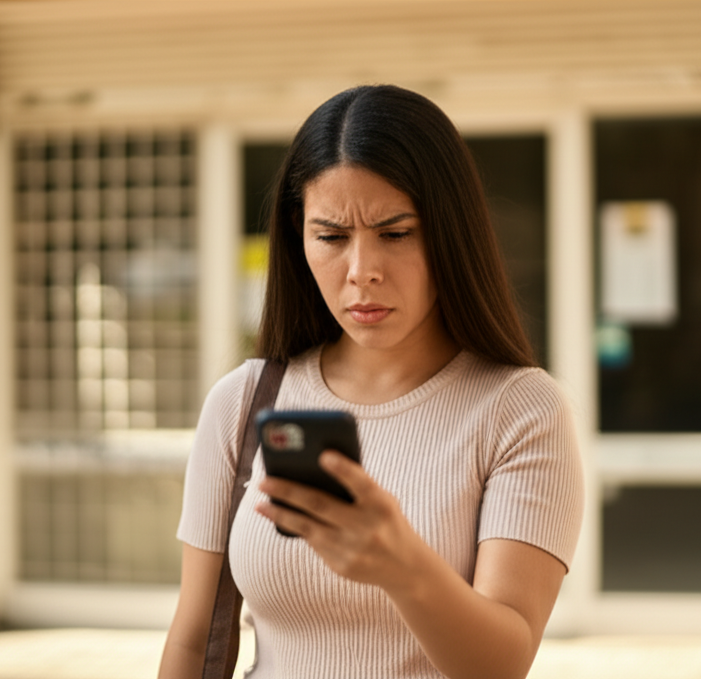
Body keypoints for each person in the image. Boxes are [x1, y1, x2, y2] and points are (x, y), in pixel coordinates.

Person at [158, 84, 583, 679]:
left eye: (395, 232)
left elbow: (502, 664)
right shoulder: (243, 401)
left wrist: (400, 563)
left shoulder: (521, 411)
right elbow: (191, 639)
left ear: (450, 233)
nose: (362, 272)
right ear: (298, 237)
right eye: (331, 237)